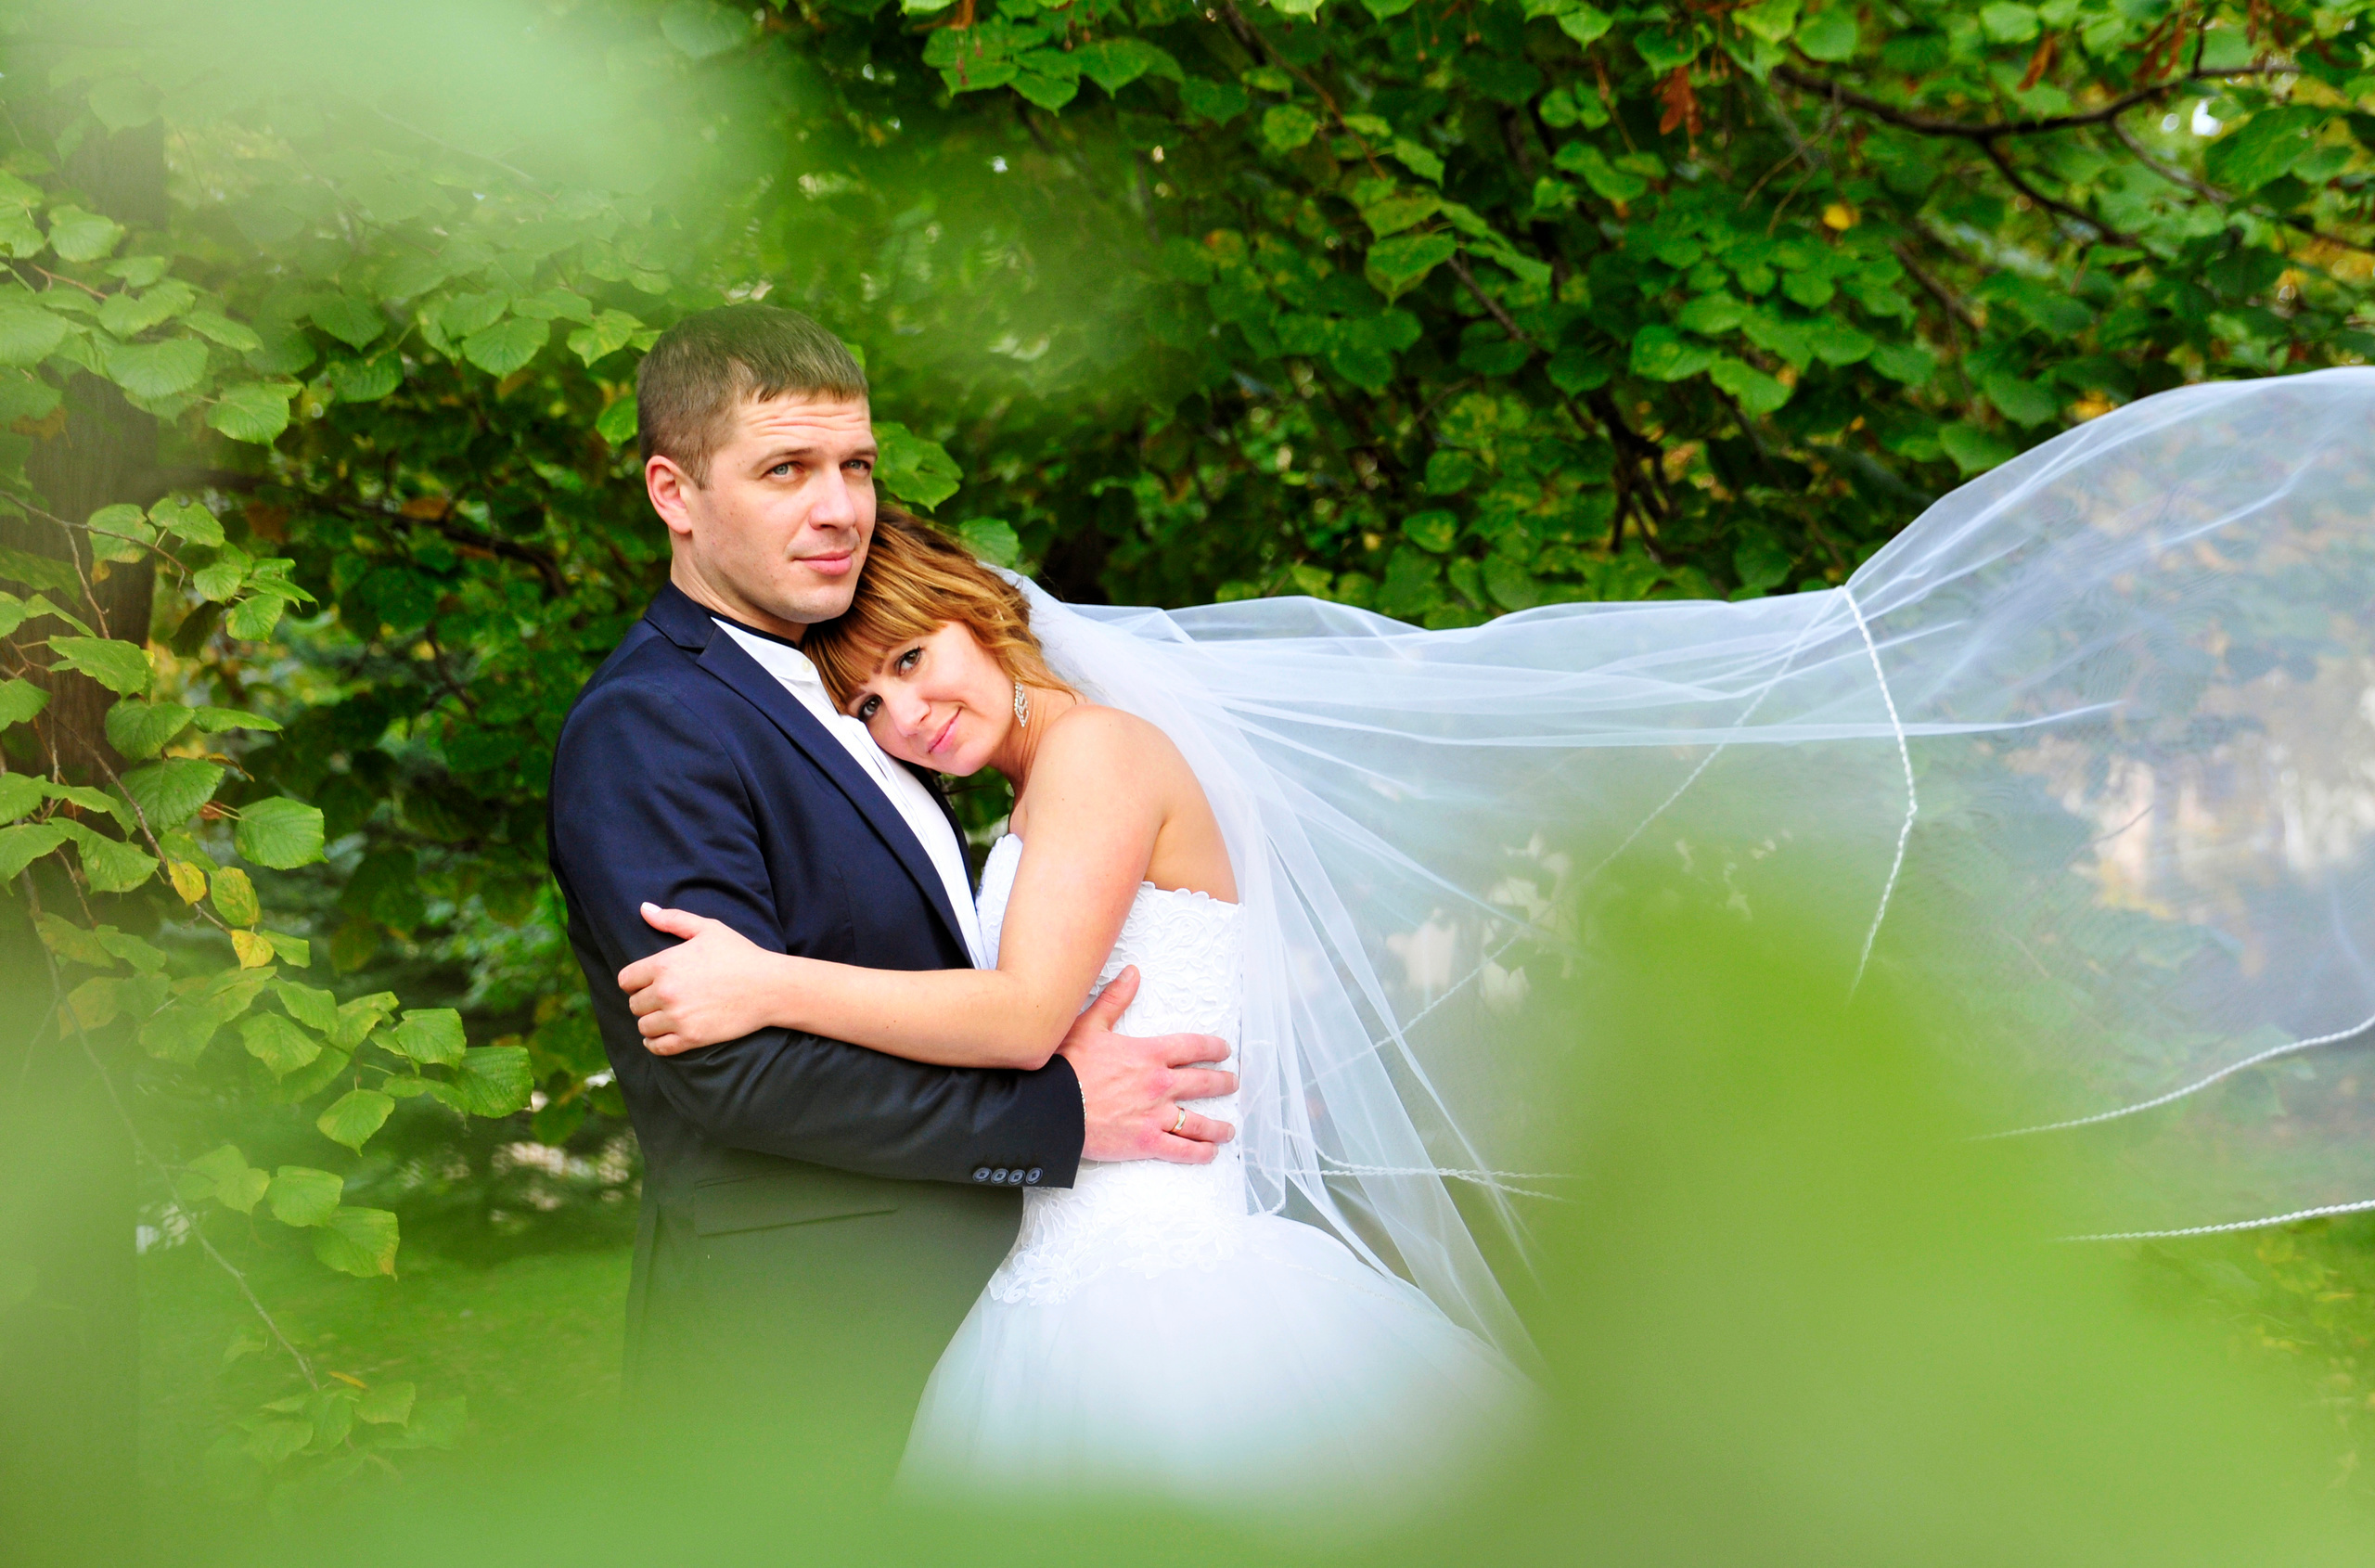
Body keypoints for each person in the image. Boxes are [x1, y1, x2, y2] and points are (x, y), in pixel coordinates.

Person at [619, 514, 1535, 1506]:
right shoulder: (1035, 790)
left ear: (978, 613)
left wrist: (765, 980)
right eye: (871, 703)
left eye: (916, 657)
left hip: (1164, 1292)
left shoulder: (1098, 752)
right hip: (1057, 1273)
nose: (908, 712)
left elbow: (1020, 1017)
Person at [544, 305, 1238, 1484]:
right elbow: (732, 1068)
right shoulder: (652, 721)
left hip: (990, 1320)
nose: (837, 507)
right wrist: (1055, 1117)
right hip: (802, 1348)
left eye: (855, 466)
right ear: (675, 491)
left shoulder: (856, 693)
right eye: (785, 469)